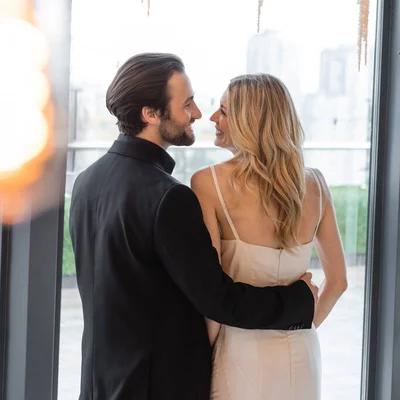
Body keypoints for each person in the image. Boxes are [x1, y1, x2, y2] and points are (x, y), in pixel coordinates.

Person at [69, 54, 317, 400]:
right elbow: (218, 299)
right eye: (187, 104)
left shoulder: (86, 181)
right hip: (158, 387)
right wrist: (299, 301)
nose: (198, 114)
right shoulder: (169, 197)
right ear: (151, 114)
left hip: (102, 384)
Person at [191, 73, 348, 400]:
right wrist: (299, 324)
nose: (213, 118)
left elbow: (212, 295)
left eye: (224, 111)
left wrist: (194, 362)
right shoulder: (316, 184)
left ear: (251, 120)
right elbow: (338, 282)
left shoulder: (208, 183)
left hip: (240, 356)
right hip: (303, 352)